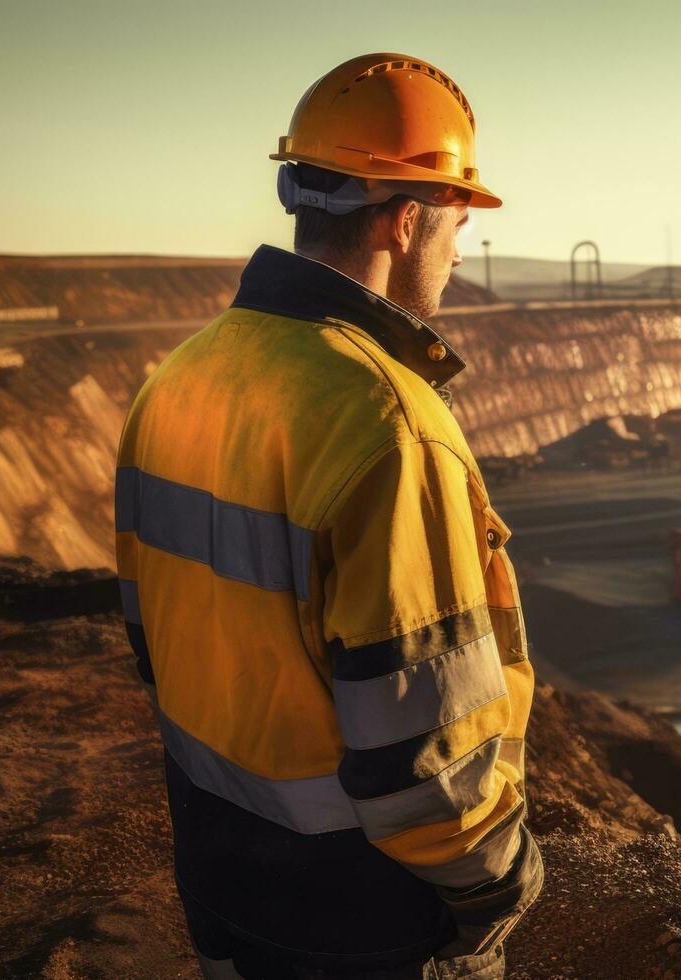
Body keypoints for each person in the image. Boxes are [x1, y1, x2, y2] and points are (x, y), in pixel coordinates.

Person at [113, 53, 539, 978]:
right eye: (458, 221)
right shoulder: (389, 426)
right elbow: (421, 743)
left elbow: (152, 636)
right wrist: (497, 880)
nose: (461, 252)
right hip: (360, 911)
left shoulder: (181, 377)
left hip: (219, 864)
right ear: (405, 217)